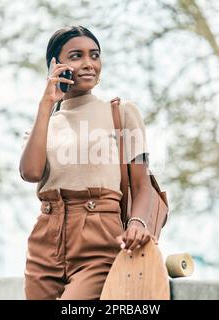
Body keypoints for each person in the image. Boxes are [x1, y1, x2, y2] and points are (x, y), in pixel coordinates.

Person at [19, 25, 155, 300]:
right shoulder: (44, 125)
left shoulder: (121, 114)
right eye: (76, 56)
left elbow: (142, 186)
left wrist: (138, 223)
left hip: (99, 236)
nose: (88, 64)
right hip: (45, 240)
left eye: (94, 55)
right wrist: (46, 104)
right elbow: (31, 173)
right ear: (55, 66)